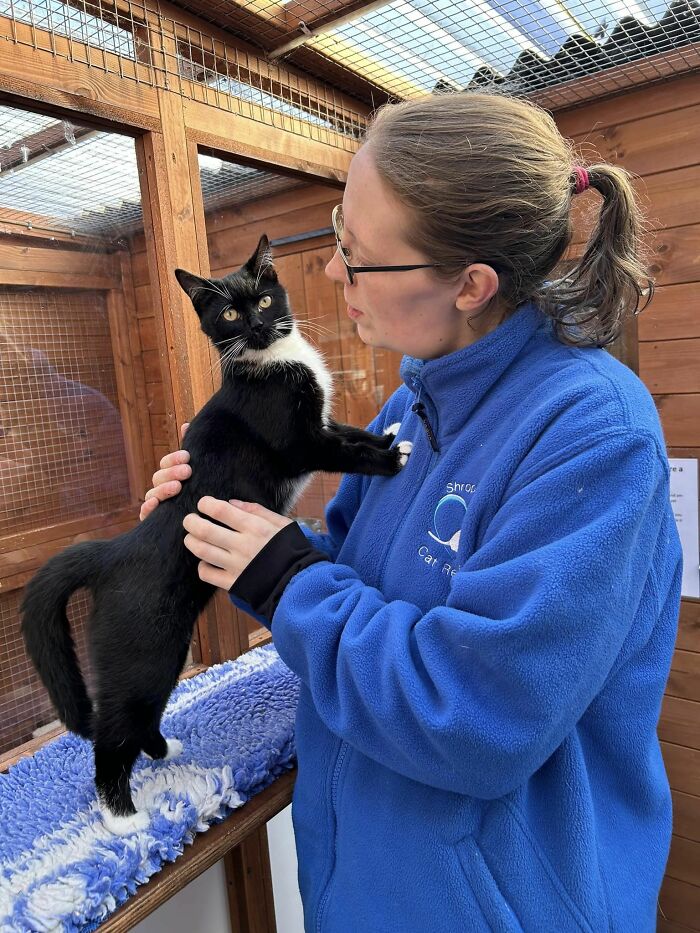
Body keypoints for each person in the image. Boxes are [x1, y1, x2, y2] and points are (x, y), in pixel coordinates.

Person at [141, 92, 683, 932]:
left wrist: (286, 575)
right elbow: (340, 584)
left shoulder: (591, 433)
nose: (330, 273)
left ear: (470, 284)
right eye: (334, 231)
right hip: (367, 888)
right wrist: (236, 529)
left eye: (356, 255)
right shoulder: (410, 405)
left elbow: (480, 714)